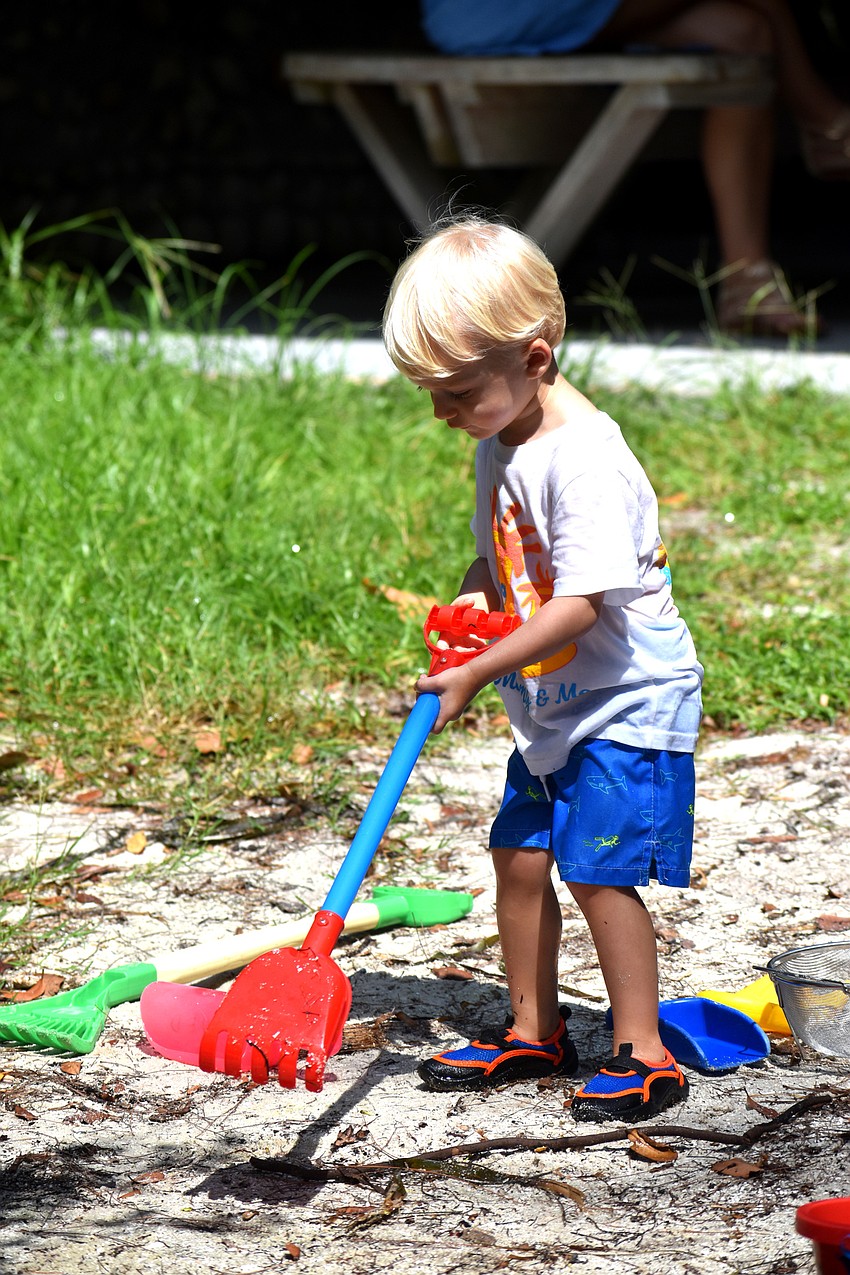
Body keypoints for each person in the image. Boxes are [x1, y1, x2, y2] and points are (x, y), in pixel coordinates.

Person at [382, 215, 704, 1122]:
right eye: (430, 393)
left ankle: (642, 1051)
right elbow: (501, 562)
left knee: (597, 868)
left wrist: (480, 670)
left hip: (627, 700)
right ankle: (534, 1028)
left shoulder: (587, 458)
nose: (441, 413)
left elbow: (578, 604)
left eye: (456, 391)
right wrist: (465, 614)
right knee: (518, 857)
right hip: (556, 700)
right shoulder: (503, 440)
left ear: (533, 357)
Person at [418, 0, 850, 337]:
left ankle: (747, 278)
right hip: (485, 13)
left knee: (744, 29)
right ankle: (828, 124)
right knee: (758, 13)